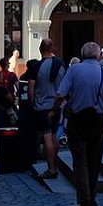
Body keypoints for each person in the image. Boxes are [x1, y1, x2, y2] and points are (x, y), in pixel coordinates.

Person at [57, 41, 103, 206]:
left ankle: (84, 198)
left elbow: (60, 94)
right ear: (99, 55)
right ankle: (92, 196)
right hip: (98, 118)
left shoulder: (74, 70)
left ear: (83, 54)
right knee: (95, 158)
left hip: (77, 118)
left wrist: (56, 110)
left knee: (79, 159)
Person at [31, 42, 65, 179]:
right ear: (52, 49)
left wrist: (32, 102)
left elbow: (31, 87)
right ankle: (54, 164)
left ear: (40, 49)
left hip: (42, 106)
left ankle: (51, 168)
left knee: (47, 137)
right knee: (54, 136)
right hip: (57, 105)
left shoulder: (37, 66)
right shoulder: (60, 65)